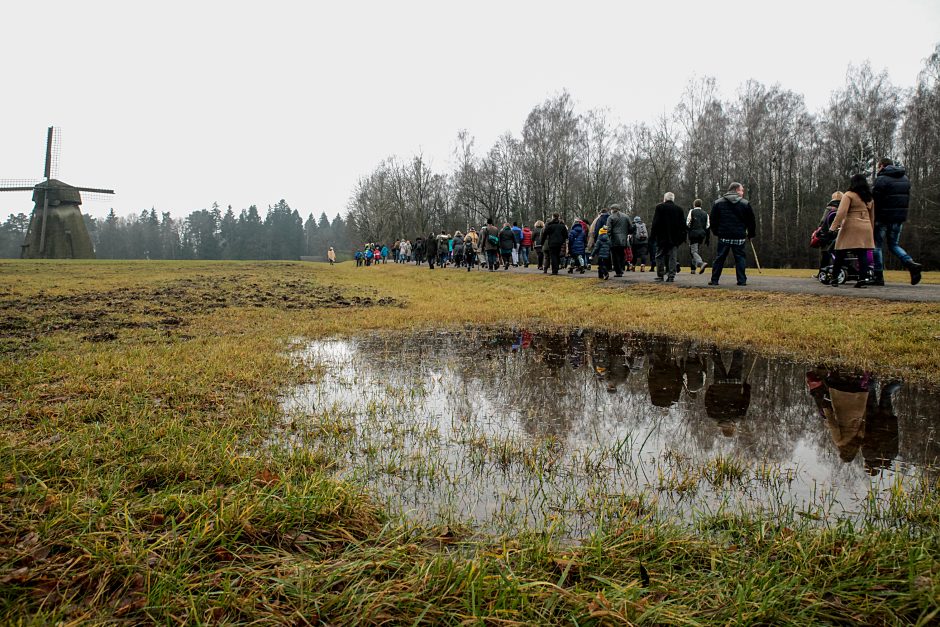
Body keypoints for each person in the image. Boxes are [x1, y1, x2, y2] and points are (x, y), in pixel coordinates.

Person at [872, 158, 921, 285]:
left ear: (882, 166)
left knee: (876, 246)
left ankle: (878, 276)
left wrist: (873, 217)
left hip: (882, 218)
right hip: (898, 218)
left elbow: (875, 199)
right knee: (894, 245)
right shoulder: (905, 179)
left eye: (878, 167)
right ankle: (910, 263)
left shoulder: (881, 179)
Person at [827, 174, 875, 288]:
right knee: (862, 253)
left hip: (851, 225)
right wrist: (871, 229)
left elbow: (841, 213)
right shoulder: (869, 197)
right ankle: (862, 278)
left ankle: (834, 278)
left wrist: (833, 227)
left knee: (840, 250)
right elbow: (872, 216)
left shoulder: (849, 195)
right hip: (866, 226)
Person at [707, 182, 756, 286]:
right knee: (740, 258)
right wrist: (751, 234)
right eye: (742, 190)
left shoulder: (718, 203)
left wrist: (716, 232)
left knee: (720, 258)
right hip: (739, 235)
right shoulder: (745, 203)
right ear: (736, 190)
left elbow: (713, 220)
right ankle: (741, 280)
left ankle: (714, 279)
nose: (743, 192)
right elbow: (751, 221)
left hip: (724, 235)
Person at [650, 192, 687, 283]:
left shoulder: (660, 208)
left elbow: (655, 223)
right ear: (673, 199)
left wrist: (652, 236)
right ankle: (671, 276)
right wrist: (682, 238)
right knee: (672, 257)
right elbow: (683, 225)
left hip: (662, 237)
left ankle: (660, 275)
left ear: (665, 199)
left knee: (659, 256)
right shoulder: (679, 209)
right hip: (674, 238)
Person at [686, 199, 710, 274]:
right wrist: (707, 238)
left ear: (694, 204)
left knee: (693, 251)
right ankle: (693, 269)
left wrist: (689, 230)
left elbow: (688, 222)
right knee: (695, 250)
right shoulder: (705, 213)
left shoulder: (692, 211)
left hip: (693, 233)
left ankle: (700, 263)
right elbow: (708, 225)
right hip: (702, 234)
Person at [606, 204, 630, 277]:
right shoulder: (626, 217)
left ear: (613, 209)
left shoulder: (611, 217)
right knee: (622, 255)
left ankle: (618, 271)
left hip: (614, 239)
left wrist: (607, 238)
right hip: (623, 239)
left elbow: (608, 229)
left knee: (615, 256)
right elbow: (631, 227)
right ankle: (622, 269)